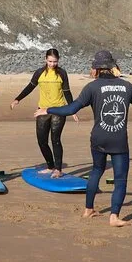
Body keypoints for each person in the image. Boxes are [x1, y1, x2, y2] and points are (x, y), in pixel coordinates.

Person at [35, 50, 132, 227]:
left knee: (96, 170)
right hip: (118, 140)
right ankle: (114, 217)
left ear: (96, 68)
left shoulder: (92, 87)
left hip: (98, 138)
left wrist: (48, 109)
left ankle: (88, 209)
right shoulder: (127, 86)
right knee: (120, 180)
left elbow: (71, 109)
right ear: (112, 67)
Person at [11, 49, 78, 178]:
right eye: (50, 61)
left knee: (55, 140)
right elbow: (30, 87)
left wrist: (72, 109)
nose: (52, 64)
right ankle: (50, 166)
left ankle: (58, 169)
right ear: (45, 59)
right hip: (42, 110)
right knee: (42, 141)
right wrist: (17, 99)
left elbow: (67, 92)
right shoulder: (39, 73)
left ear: (58, 60)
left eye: (55, 61)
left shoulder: (62, 73)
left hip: (59, 110)